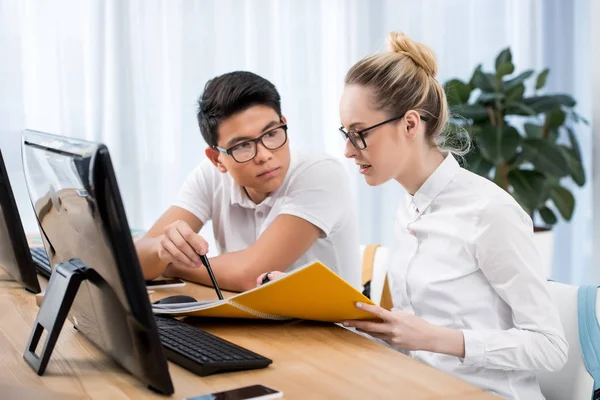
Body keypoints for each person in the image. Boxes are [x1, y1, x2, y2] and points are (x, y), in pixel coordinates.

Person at [259, 33, 568, 399]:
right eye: (346, 133)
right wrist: (315, 302)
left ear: (409, 125)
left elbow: (550, 347)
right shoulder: (408, 208)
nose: (347, 150)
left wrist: (434, 338)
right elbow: (407, 338)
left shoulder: (490, 213)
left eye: (359, 134)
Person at [136, 71, 361, 293]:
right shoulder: (211, 175)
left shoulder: (320, 173)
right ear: (217, 159)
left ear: (284, 125)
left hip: (328, 327)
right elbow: (134, 261)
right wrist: (161, 248)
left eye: (271, 133)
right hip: (250, 323)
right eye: (242, 145)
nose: (263, 155)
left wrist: (173, 265)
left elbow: (251, 275)